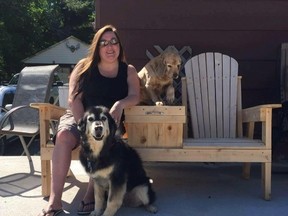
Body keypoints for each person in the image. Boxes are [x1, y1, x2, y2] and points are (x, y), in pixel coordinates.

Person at [39, 24, 140, 216]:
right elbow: (73, 99)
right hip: (80, 116)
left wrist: (119, 104)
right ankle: (55, 202)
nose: (110, 47)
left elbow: (135, 95)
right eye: (104, 43)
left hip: (106, 122)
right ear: (97, 47)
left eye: (114, 42)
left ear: (119, 46)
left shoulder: (128, 71)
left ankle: (90, 194)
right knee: (63, 136)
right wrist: (82, 127)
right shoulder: (84, 67)